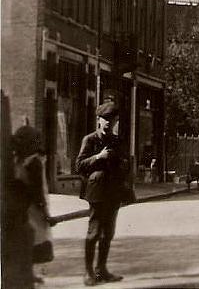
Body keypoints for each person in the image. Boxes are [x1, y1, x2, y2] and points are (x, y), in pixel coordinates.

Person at [76, 101, 128, 285]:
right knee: (94, 232)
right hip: (97, 191)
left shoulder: (117, 140)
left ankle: (102, 269)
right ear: (98, 120)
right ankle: (88, 272)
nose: (107, 123)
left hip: (113, 191)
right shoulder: (90, 140)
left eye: (111, 119)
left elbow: (124, 165)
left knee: (108, 233)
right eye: (104, 119)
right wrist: (98, 157)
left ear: (116, 121)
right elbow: (79, 165)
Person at [8, 125, 53, 288]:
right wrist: (45, 210)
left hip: (22, 205)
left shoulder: (17, 160)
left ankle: (29, 273)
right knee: (36, 238)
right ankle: (29, 273)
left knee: (28, 239)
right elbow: (38, 190)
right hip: (33, 207)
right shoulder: (35, 163)